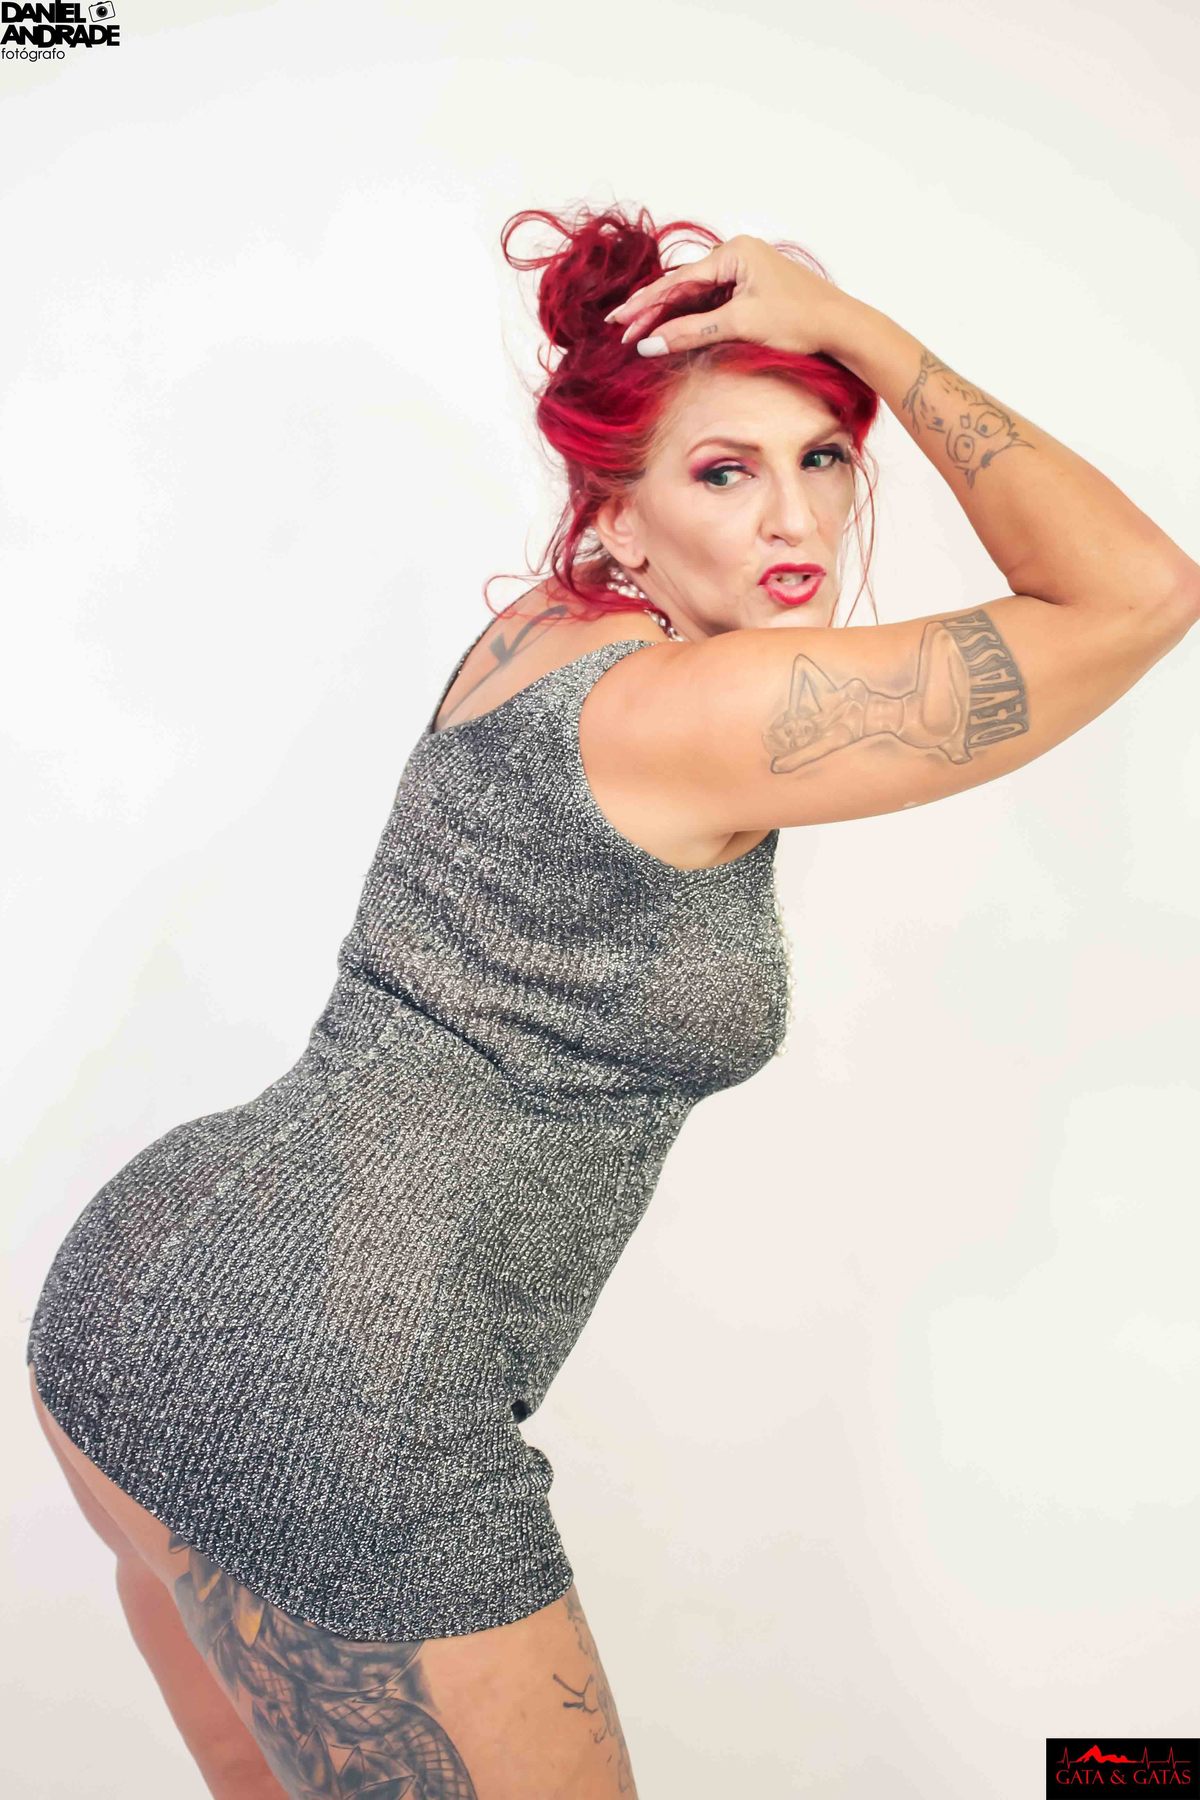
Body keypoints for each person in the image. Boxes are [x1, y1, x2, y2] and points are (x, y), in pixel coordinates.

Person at [25, 206, 1199, 1800]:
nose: (794, 515)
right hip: (342, 1387)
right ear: (618, 519)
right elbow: (1137, 593)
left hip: (133, 1298)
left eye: (824, 458)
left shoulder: (542, 634)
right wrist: (868, 334)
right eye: (723, 472)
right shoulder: (699, 708)